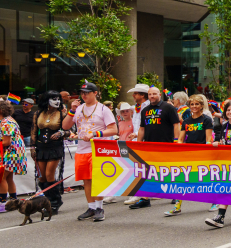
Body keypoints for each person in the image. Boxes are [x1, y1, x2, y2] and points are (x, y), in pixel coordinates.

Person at [62, 82, 118, 222]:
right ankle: (91, 207)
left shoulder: (103, 109)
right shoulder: (79, 108)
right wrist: (72, 110)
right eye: (82, 93)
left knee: (97, 179)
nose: (84, 95)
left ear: (95, 93)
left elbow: (113, 130)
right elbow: (65, 126)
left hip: (98, 149)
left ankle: (100, 207)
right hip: (82, 149)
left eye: (87, 92)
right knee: (86, 180)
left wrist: (95, 134)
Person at [130, 86, 181, 209]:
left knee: (168, 171)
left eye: (154, 94)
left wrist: (175, 141)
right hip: (149, 146)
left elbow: (176, 124)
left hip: (166, 145)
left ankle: (175, 194)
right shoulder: (145, 110)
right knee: (146, 172)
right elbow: (142, 128)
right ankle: (145, 199)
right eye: (150, 94)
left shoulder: (168, 108)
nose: (152, 96)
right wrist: (138, 143)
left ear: (159, 95)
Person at [163, 94, 214, 218]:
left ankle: (215, 202)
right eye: (192, 104)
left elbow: (208, 139)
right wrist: (178, 147)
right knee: (181, 179)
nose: (194, 106)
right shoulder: (186, 121)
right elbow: (181, 139)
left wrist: (206, 150)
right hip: (188, 154)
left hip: (202, 153)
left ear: (202, 105)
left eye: (197, 104)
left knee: (206, 179)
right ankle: (177, 207)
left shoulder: (206, 120)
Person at [0, 100, 28, 214]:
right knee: (8, 178)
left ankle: (3, 204)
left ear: (2, 109)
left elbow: (6, 142)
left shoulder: (6, 122)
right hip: (9, 152)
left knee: (1, 177)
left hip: (13, 152)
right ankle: (14, 201)